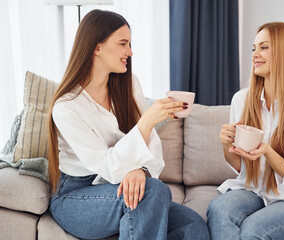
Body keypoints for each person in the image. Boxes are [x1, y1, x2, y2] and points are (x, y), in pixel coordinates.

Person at [47, 9, 209, 240]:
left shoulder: (129, 84)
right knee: (153, 191)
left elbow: (152, 146)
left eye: (130, 44)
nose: (130, 52)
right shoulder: (67, 107)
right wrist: (147, 121)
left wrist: (141, 169)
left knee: (192, 224)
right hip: (76, 196)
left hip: (121, 186)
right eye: (123, 43)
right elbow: (107, 165)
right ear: (97, 47)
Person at [206, 22, 284, 240]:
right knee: (219, 210)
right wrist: (227, 145)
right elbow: (241, 167)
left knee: (253, 230)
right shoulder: (241, 99)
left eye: (263, 47)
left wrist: (267, 151)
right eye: (254, 48)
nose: (255, 54)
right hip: (254, 190)